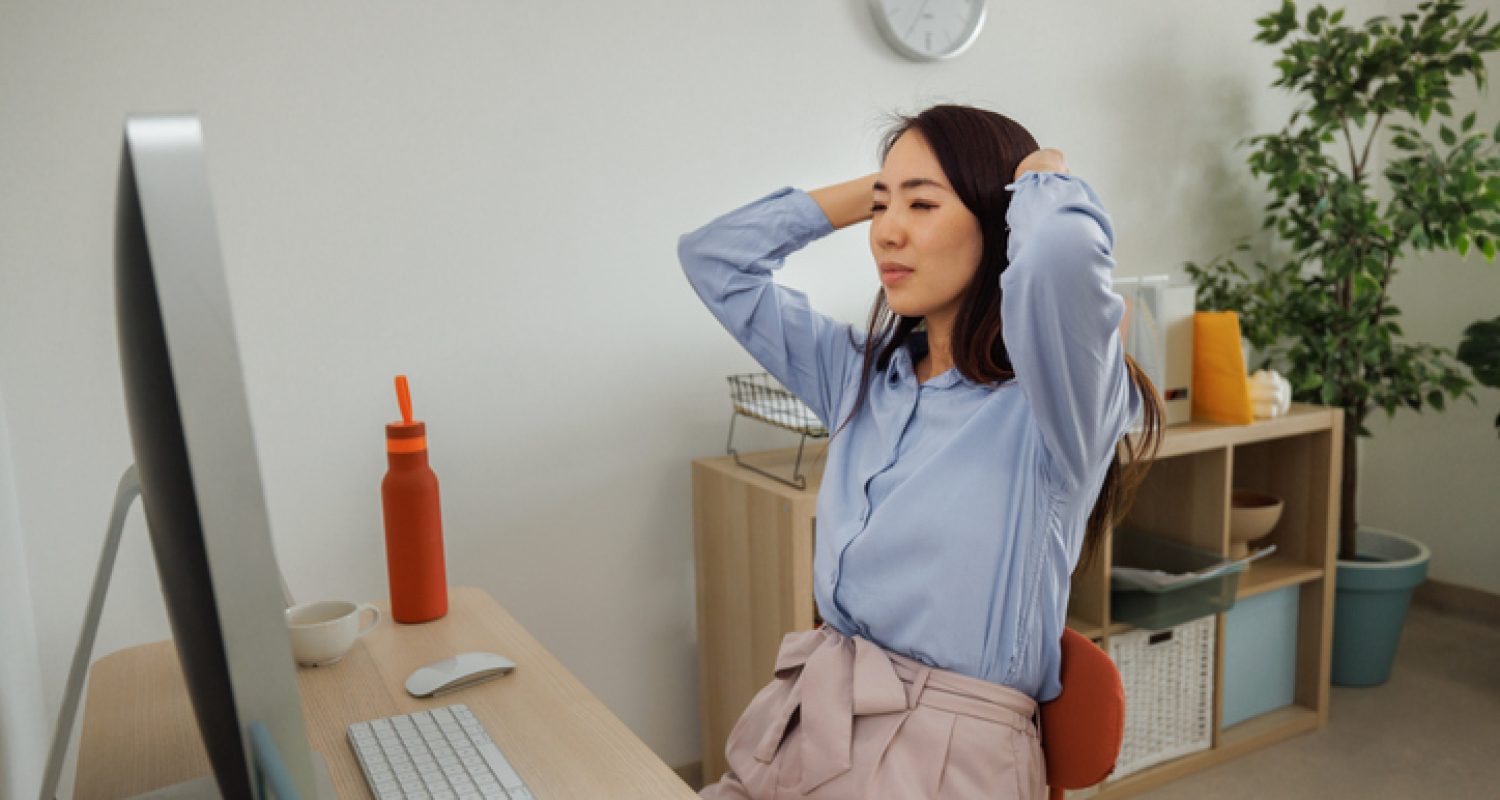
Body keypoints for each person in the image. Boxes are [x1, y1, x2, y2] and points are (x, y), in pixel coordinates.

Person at [679, 104, 1164, 800]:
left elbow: (1059, 256)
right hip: (808, 724)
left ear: (998, 224)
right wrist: (871, 193)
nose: (888, 233)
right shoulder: (862, 377)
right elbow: (713, 259)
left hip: (945, 763)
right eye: (884, 208)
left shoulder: (1054, 406)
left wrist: (1040, 176)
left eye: (923, 204)